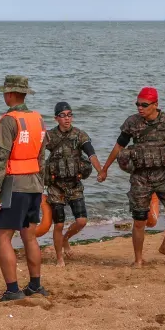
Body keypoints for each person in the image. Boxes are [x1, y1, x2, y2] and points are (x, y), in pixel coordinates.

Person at [98, 87, 165, 266]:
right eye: (137, 104)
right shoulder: (132, 122)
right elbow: (118, 147)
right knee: (139, 220)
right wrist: (104, 169)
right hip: (140, 178)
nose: (140, 108)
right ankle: (138, 259)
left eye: (144, 105)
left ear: (155, 105)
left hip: (163, 176)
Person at [0, 76, 48, 301]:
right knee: (29, 236)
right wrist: (41, 185)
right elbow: (42, 156)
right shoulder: (38, 119)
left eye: (5, 92)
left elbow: (1, 159)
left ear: (10, 94)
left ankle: (13, 290)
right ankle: (35, 285)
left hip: (14, 184)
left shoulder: (8, 121)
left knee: (3, 236)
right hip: (34, 183)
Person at [43, 101, 104, 266]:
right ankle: (59, 258)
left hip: (74, 184)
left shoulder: (79, 135)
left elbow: (91, 153)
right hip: (56, 185)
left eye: (69, 115)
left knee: (82, 221)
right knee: (59, 224)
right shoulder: (49, 136)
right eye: (63, 116)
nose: (67, 119)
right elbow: (37, 154)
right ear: (56, 118)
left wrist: (100, 170)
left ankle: (65, 239)